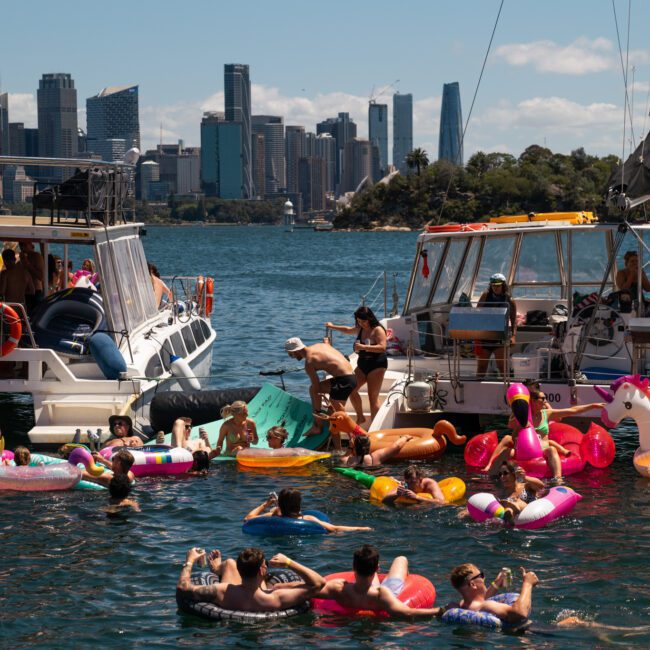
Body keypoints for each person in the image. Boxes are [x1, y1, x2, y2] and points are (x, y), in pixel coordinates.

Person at [482, 388, 604, 479]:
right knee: (506, 451)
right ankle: (490, 475)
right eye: (543, 398)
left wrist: (592, 406)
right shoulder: (523, 415)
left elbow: (571, 411)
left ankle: (558, 479)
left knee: (552, 449)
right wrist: (518, 414)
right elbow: (510, 425)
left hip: (542, 448)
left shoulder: (547, 413)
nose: (545, 401)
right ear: (533, 401)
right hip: (523, 450)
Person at [177, 546, 325, 613]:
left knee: (229, 563)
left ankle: (217, 570)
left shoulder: (223, 591)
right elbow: (318, 583)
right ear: (262, 570)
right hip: (262, 600)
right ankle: (219, 568)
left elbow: (183, 588)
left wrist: (189, 560)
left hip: (234, 599)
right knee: (230, 563)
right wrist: (288, 562)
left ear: (240, 570)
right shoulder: (276, 597)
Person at [314, 544, 441, 618]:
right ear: (377, 568)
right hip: (384, 593)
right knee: (401, 559)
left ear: (353, 567)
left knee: (367, 579)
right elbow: (407, 612)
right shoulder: (382, 594)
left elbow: (313, 590)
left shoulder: (339, 588)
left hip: (356, 591)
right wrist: (441, 610)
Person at [284, 337, 357, 446]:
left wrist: (322, 398)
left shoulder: (309, 362)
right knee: (313, 391)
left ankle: (345, 441)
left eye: (291, 354)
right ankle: (319, 427)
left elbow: (317, 388)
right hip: (350, 377)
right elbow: (327, 344)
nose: (292, 357)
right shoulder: (319, 346)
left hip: (344, 382)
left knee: (335, 418)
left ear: (296, 351)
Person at [325, 306, 388, 425]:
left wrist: (364, 347)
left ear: (369, 318)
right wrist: (332, 326)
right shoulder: (360, 328)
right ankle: (361, 417)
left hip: (377, 365)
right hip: (362, 364)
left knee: (372, 398)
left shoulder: (378, 329)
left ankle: (375, 426)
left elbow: (382, 347)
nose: (361, 324)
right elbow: (348, 330)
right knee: (351, 389)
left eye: (363, 321)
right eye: (358, 321)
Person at [244, 487, 372, 533]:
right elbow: (334, 529)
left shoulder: (274, 515)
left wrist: (266, 504)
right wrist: (361, 528)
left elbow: (248, 519)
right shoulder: (307, 519)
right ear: (298, 504)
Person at [446, 564, 538, 626]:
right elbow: (520, 614)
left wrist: (497, 583)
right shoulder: (487, 605)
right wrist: (528, 583)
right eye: (481, 575)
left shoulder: (459, 606)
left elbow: (481, 599)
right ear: (473, 584)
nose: (484, 578)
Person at [475, 273, 518, 379]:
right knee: (481, 367)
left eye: (498, 285)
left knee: (502, 367)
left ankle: (507, 390)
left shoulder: (510, 300)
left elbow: (514, 320)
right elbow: (477, 314)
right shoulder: (485, 296)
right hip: (485, 336)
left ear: (503, 285)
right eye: (493, 285)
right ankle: (476, 388)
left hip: (500, 337)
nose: (495, 288)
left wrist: (513, 336)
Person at [496, 460, 545, 525]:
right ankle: (509, 514)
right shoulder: (502, 493)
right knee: (508, 508)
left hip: (531, 515)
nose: (502, 477)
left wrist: (524, 477)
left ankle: (511, 510)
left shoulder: (526, 486)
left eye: (505, 473)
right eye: (500, 474)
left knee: (515, 502)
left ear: (514, 473)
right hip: (517, 521)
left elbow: (541, 486)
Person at [339, 433, 413, 467]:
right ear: (369, 446)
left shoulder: (346, 460)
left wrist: (350, 447)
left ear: (354, 447)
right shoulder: (376, 457)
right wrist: (405, 437)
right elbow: (396, 446)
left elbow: (344, 457)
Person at [17, 240, 44, 309]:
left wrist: (27, 264)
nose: (22, 247)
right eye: (20, 244)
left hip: (35, 292)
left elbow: (41, 276)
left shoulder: (36, 256)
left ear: (31, 245)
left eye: (24, 244)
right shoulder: (21, 257)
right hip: (24, 292)